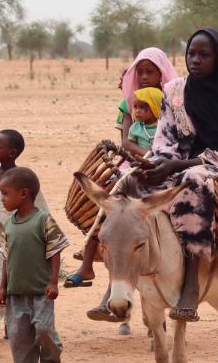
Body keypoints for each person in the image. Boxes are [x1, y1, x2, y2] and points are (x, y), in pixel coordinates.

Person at [119, 28, 218, 323]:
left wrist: (176, 167)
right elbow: (164, 140)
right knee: (131, 180)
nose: (196, 60)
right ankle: (126, 274)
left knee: (192, 182)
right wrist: (156, 164)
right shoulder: (174, 90)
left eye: (204, 55)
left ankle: (190, 282)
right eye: (192, 53)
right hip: (177, 161)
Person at [66, 47, 179, 289]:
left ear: (162, 73)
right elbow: (125, 142)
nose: (146, 76)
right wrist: (146, 158)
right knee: (108, 203)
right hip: (134, 164)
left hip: (167, 163)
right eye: (141, 71)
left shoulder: (174, 100)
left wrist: (162, 159)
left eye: (151, 71)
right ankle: (87, 262)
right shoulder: (130, 102)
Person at [0, 167, 70, 363]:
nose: (2, 199)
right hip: (15, 293)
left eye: (6, 194)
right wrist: (2, 286)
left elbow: (55, 250)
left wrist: (54, 282)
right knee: (19, 336)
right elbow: (6, 258)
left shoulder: (43, 220)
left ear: (24, 194)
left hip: (41, 291)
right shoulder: (8, 224)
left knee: (44, 330)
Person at [0, 130, 50, 344]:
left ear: (12, 153)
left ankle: (13, 324)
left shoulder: (24, 178)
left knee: (17, 282)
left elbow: (42, 211)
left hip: (22, 237)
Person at [127, 87, 163, 152]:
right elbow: (131, 149)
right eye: (135, 107)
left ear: (154, 107)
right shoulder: (135, 128)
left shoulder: (164, 127)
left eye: (142, 107)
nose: (137, 111)